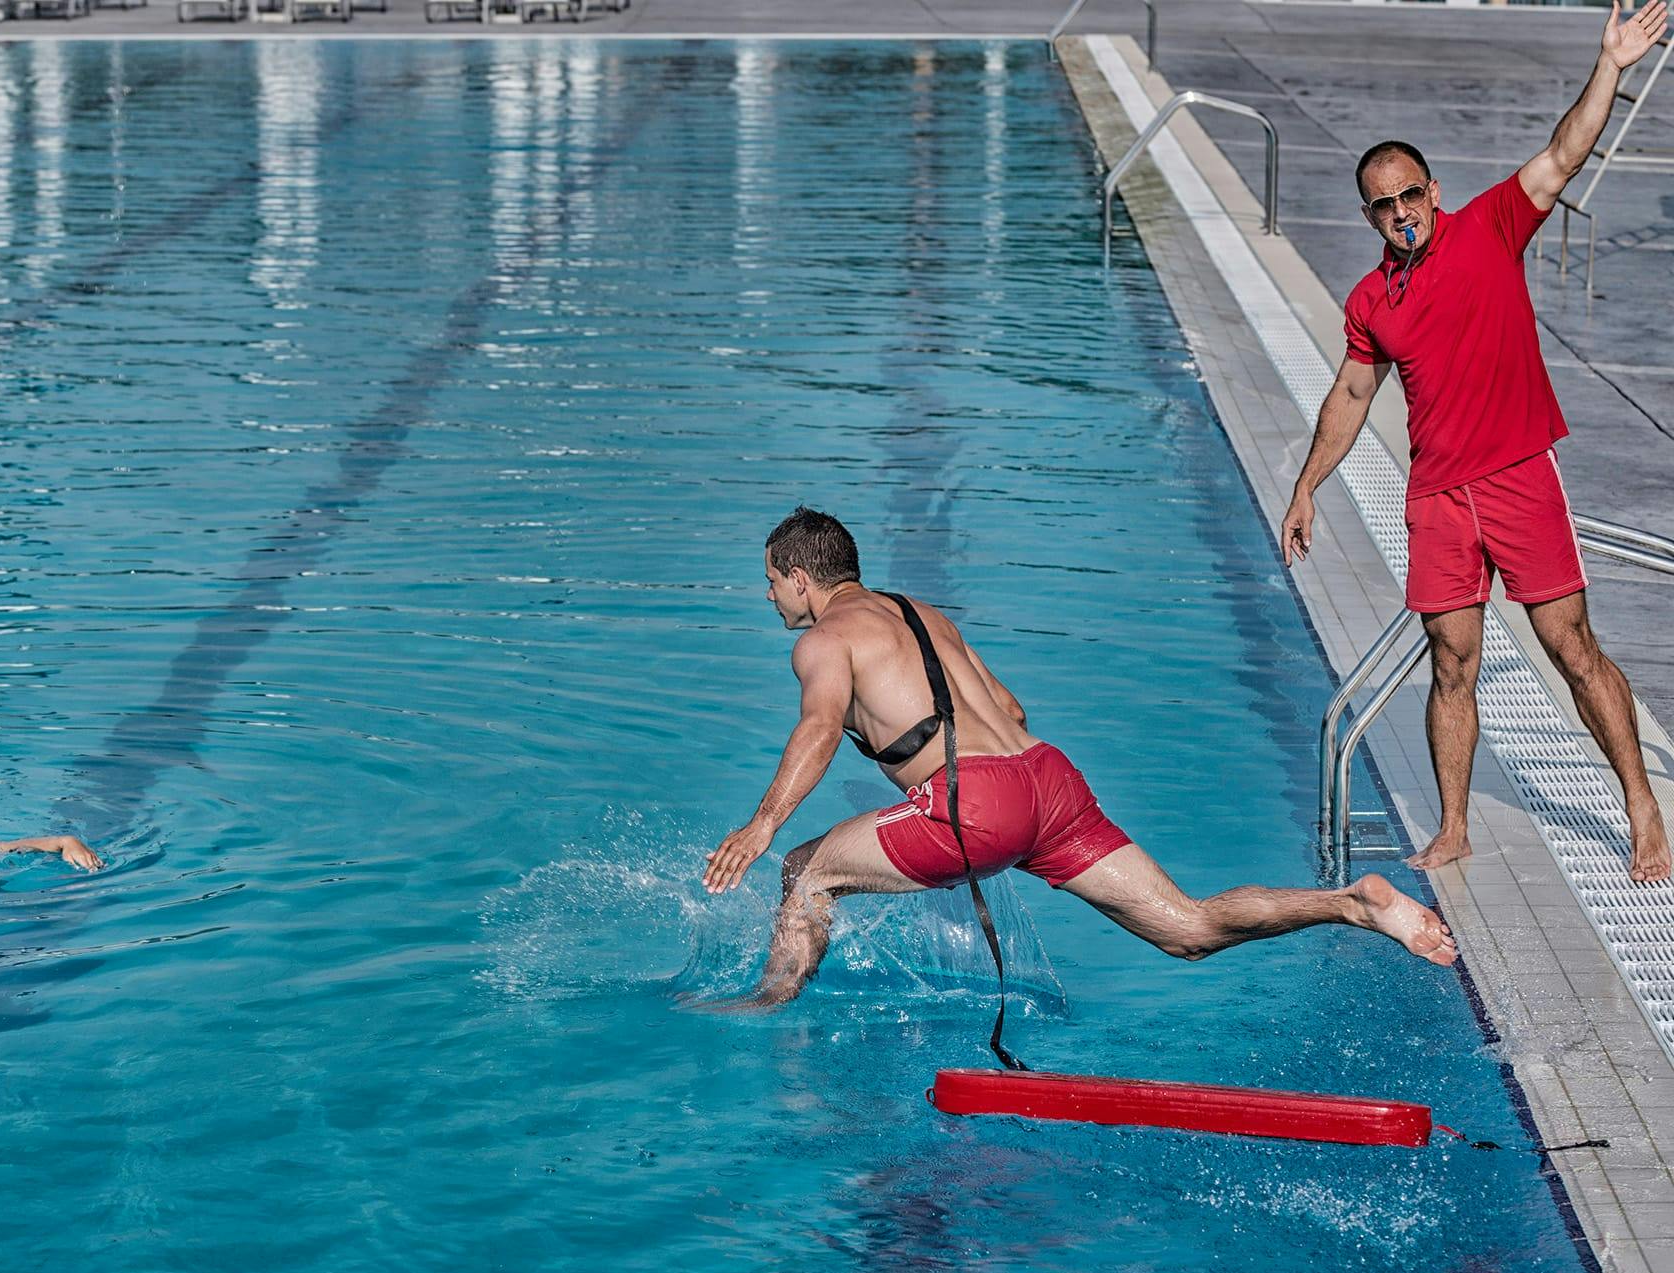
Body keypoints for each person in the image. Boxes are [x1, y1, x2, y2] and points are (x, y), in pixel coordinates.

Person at [701, 508, 1456, 1009]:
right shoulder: (919, 613)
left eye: (772, 583)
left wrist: (763, 824)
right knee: (1187, 929)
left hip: (979, 805)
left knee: (804, 868)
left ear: (802, 577)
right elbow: (1014, 710)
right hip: (1049, 782)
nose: (770, 598)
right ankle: (1353, 903)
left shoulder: (823, 639)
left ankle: (762, 1015)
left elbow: (821, 727)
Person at [1281, 0, 1671, 883]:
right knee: (1451, 663)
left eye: (1410, 196)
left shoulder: (1494, 224)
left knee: (1571, 648)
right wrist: (1307, 486)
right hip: (1438, 495)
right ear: (1370, 216)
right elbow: (1350, 393)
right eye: (1382, 206)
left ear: (1434, 192)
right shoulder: (1370, 301)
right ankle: (1454, 826)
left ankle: (1641, 806)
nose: (1401, 214)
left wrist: (1610, 63)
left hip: (1518, 475)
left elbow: (1566, 150)